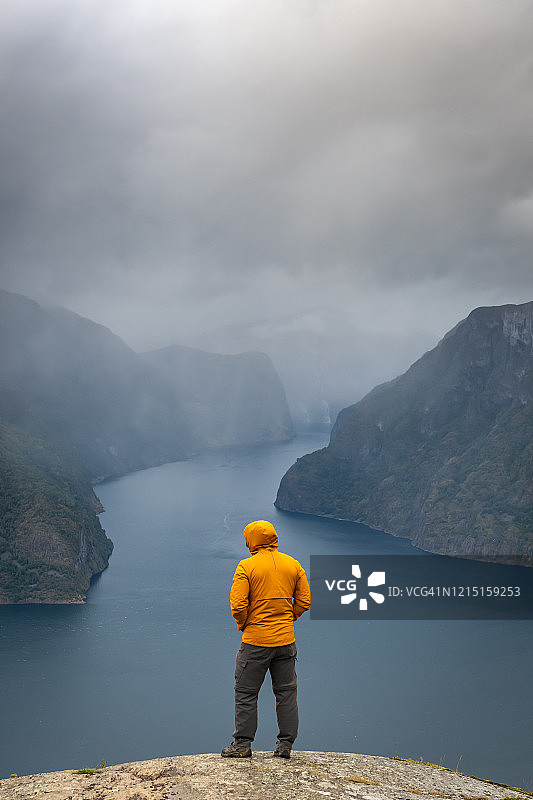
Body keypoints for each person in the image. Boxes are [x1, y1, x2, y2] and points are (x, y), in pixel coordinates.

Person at [221, 520, 311, 759]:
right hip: (285, 641)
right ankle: (285, 746)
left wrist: (245, 625)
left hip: (255, 642)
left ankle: (242, 745)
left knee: (246, 692)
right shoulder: (293, 565)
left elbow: (238, 604)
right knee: (286, 692)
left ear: (251, 540)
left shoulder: (246, 567)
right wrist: (287, 618)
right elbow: (304, 601)